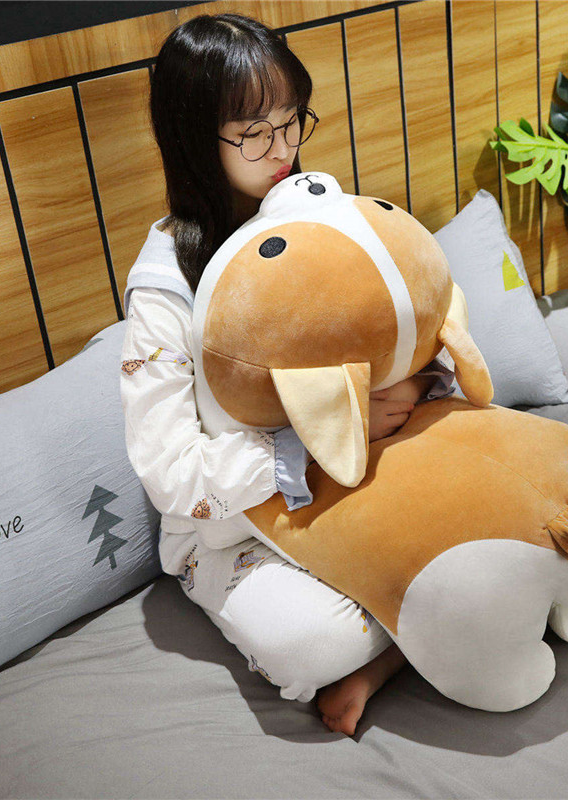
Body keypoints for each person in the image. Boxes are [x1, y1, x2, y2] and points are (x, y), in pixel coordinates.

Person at [120, 13, 455, 737]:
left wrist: (414, 384)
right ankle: (398, 648)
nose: (282, 150)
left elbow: (411, 320)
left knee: (489, 511)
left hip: (358, 477)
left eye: (291, 121)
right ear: (193, 139)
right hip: (230, 529)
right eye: (252, 132)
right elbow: (170, 473)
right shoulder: (164, 286)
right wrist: (316, 438)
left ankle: (413, 622)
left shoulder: (316, 212)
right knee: (313, 642)